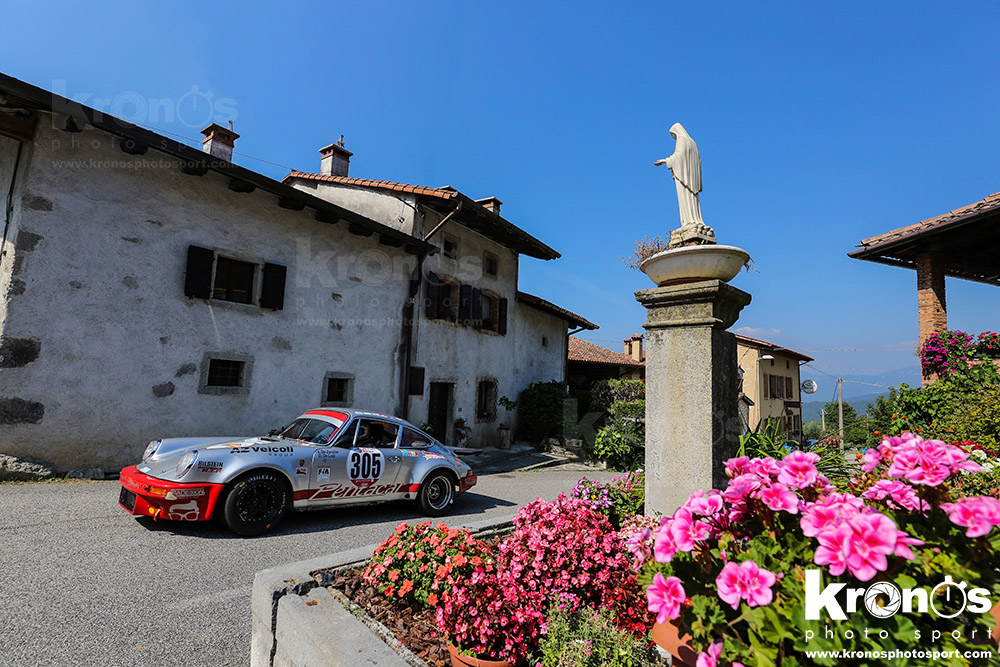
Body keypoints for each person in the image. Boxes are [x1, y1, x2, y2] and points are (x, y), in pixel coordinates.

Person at [654, 122, 704, 227]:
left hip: (683, 176)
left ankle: (689, 221)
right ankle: (694, 220)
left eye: (673, 136)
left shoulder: (682, 140)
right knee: (693, 200)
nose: (674, 138)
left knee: (685, 199)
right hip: (692, 177)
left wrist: (665, 161)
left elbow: (679, 156)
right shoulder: (692, 142)